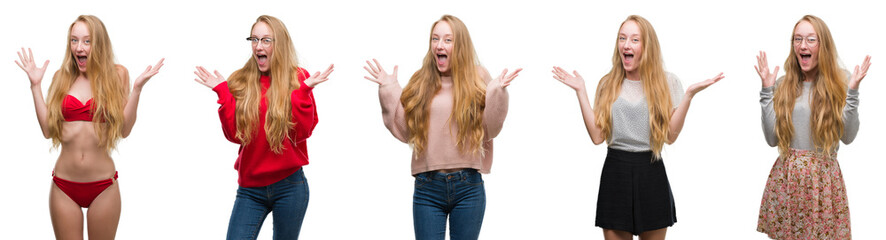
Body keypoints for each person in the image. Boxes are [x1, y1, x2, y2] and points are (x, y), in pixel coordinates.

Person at [552, 15, 723, 240]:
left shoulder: (667, 82)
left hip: (651, 172)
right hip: (615, 173)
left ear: (647, 46)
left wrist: (688, 96)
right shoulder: (608, 83)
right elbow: (596, 136)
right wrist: (581, 92)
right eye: (622, 38)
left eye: (634, 40)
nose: (626, 45)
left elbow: (670, 136)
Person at [362, 14, 521, 240]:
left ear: (461, 45)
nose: (439, 45)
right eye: (435, 39)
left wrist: (498, 92)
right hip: (427, 188)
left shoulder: (477, 77)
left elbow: (490, 129)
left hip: (468, 186)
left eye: (448, 40)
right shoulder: (421, 80)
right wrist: (389, 89)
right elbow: (407, 131)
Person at [15, 15, 163, 239]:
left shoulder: (117, 74)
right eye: (74, 40)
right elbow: (47, 131)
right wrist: (35, 86)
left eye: (87, 41)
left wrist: (137, 91)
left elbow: (124, 130)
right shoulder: (61, 77)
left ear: (99, 44)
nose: (79, 47)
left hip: (103, 186)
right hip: (64, 186)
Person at [193, 15, 333, 240]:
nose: (258, 46)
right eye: (254, 39)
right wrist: (223, 94)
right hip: (250, 189)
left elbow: (303, 133)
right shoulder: (240, 80)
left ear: (280, 44)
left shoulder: (299, 78)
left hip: (290, 186)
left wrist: (302, 94)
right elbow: (235, 136)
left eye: (266, 40)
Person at [755, 15, 871, 240]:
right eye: (797, 39)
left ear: (823, 45)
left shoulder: (840, 82)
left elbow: (848, 136)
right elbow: (771, 139)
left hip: (824, 181)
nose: (802, 45)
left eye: (810, 39)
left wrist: (853, 92)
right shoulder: (783, 84)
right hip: (788, 180)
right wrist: (766, 90)